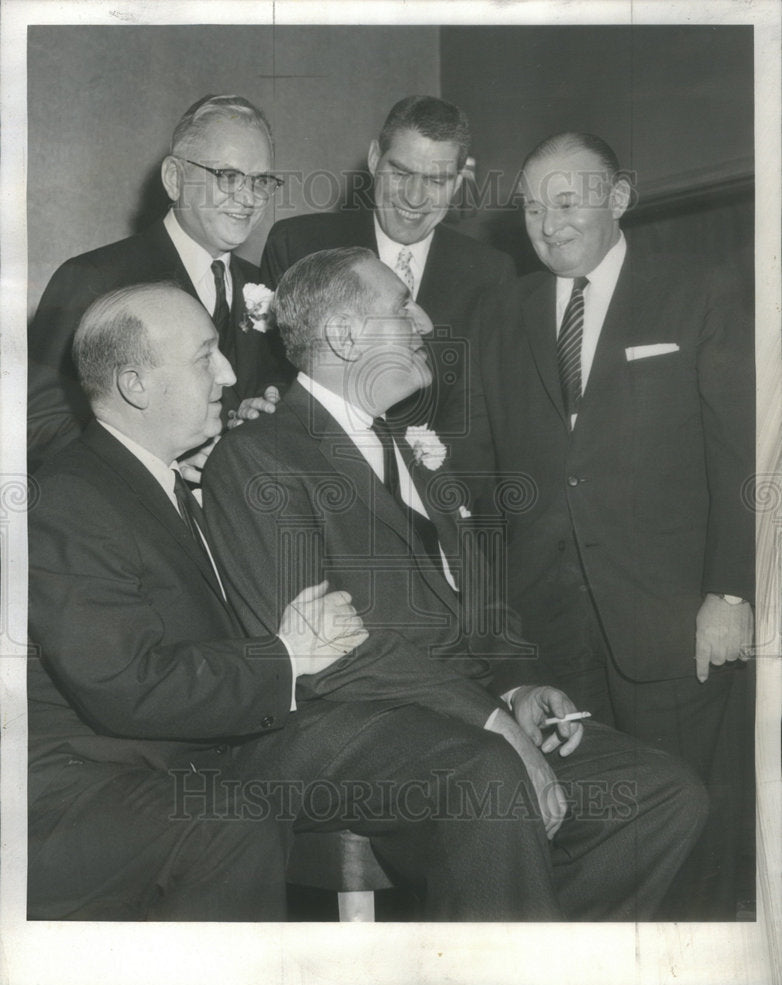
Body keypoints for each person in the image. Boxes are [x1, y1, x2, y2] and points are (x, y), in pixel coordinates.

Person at [29, 281, 639, 923]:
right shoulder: (72, 499)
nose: (231, 372)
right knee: (476, 768)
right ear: (135, 385)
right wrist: (287, 655)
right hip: (149, 769)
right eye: (205, 356)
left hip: (245, 738)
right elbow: (129, 686)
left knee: (606, 786)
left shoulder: (170, 478)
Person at [202, 246, 709, 921]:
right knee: (489, 776)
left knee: (661, 792)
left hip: (458, 716)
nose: (424, 321)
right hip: (335, 724)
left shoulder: (416, 447)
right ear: (344, 335)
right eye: (400, 307)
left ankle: (529, 963)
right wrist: (491, 720)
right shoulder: (260, 457)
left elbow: (484, 604)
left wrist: (518, 687)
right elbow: (330, 659)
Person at [457, 131, 755, 917]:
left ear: (618, 199)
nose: (547, 223)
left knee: (691, 821)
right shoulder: (499, 312)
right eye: (530, 206)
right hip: (549, 633)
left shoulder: (704, 289)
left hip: (671, 621)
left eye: (567, 201)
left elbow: (743, 459)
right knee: (581, 827)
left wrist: (730, 591)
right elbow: (481, 487)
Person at [28, 94, 288, 473]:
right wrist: (163, 467)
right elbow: (39, 428)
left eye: (260, 181)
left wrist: (255, 422)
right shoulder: (92, 278)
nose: (247, 198)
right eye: (229, 177)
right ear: (174, 179)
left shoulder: (264, 285)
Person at [255, 95, 516, 437]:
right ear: (375, 159)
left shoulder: (491, 273)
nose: (414, 197)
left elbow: (482, 416)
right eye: (402, 172)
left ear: (456, 183)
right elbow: (269, 376)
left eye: (436, 181)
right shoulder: (298, 244)